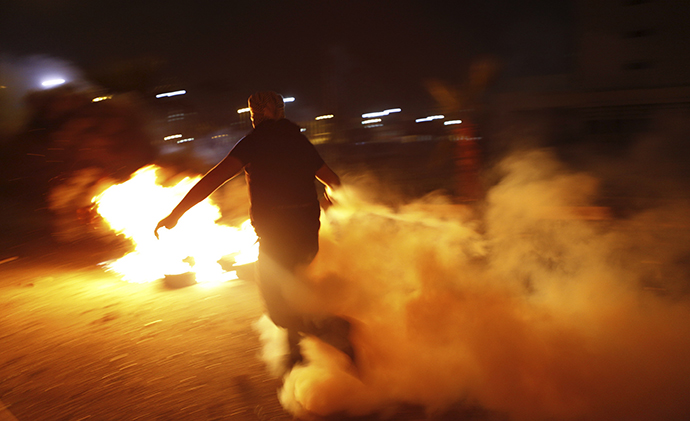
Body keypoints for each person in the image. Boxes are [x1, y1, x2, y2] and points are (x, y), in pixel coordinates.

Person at [154, 91, 354, 370]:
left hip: (277, 240)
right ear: (281, 112)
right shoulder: (299, 141)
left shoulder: (253, 143)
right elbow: (333, 181)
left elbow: (213, 180)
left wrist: (176, 214)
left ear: (257, 115)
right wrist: (330, 206)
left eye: (252, 115)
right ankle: (295, 357)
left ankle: (338, 331)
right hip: (308, 236)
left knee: (279, 310)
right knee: (292, 293)